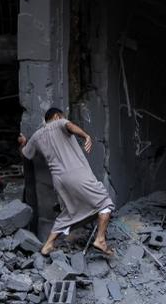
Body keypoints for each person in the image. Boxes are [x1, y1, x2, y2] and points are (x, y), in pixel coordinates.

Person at [19, 108, 115, 256]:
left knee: (70, 212)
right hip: (77, 174)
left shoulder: (37, 136)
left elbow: (26, 154)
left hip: (59, 181)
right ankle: (100, 240)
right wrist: (85, 136)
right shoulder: (59, 123)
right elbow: (69, 126)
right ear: (57, 116)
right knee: (105, 202)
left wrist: (23, 143)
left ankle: (48, 245)